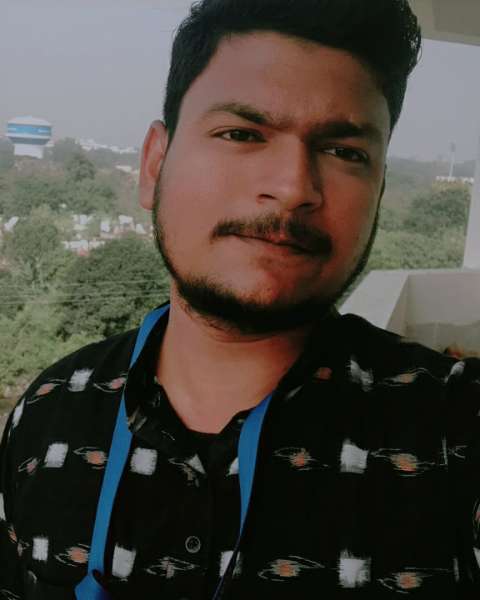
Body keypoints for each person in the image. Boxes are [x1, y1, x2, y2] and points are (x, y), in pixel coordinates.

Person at [1, 0, 479, 598]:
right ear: (154, 165)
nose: (293, 187)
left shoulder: (453, 428)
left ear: (379, 190)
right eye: (241, 134)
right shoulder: (49, 413)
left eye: (344, 152)